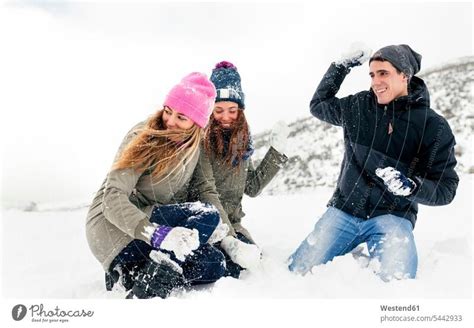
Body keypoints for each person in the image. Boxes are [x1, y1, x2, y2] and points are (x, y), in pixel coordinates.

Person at [288, 44, 459, 281]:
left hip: (393, 217)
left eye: (384, 73)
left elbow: (446, 188)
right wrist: (340, 67)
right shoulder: (358, 107)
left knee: (397, 284)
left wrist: (412, 187)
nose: (376, 82)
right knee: (296, 273)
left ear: (405, 75)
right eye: (372, 74)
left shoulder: (433, 126)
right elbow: (319, 105)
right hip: (344, 211)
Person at [86, 72, 231, 299]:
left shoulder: (195, 147)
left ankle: (133, 273)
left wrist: (228, 239)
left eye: (181, 117)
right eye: (168, 111)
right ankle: (148, 280)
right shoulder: (143, 136)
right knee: (207, 215)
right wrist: (157, 235)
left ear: (197, 124)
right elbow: (112, 197)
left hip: (151, 229)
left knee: (215, 262)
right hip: (114, 228)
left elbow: (205, 190)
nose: (170, 121)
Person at [191, 61, 289, 277]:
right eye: (219, 110)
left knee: (253, 267)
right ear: (210, 110)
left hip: (233, 224)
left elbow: (252, 187)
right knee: (220, 268)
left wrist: (276, 153)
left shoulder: (241, 142)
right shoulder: (201, 141)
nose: (226, 117)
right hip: (204, 223)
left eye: (232, 110)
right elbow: (207, 192)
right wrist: (229, 240)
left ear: (240, 110)